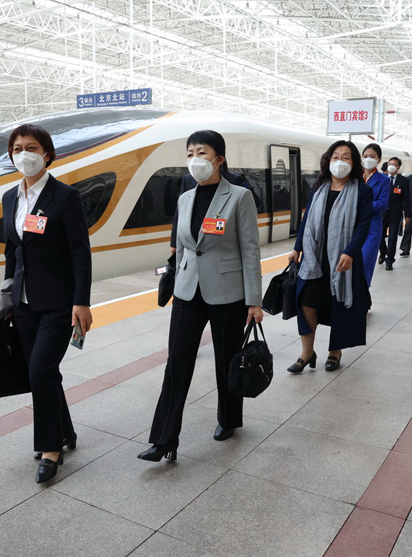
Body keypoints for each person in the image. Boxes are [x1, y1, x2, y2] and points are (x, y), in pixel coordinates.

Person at [139, 130, 263, 463]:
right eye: (190, 152)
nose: (196, 159)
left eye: (203, 152)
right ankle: (164, 438)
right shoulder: (185, 198)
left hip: (228, 294)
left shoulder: (239, 197)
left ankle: (229, 418)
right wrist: (175, 280)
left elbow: (250, 251)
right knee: (176, 363)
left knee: (226, 360)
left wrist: (254, 301)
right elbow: (182, 247)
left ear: (219, 159)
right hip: (187, 292)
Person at [0, 124, 92, 483]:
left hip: (58, 303)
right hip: (23, 303)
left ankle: (51, 448)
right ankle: (65, 431)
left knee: (40, 372)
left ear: (48, 154)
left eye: (31, 147)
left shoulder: (65, 197)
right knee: (43, 372)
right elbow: (12, 250)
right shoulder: (10, 198)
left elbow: (80, 253)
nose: (24, 153)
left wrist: (81, 302)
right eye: (17, 148)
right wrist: (7, 296)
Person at [287, 140, 372, 374]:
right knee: (305, 301)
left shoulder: (362, 190)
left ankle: (335, 352)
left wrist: (350, 252)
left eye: (346, 157)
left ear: (354, 162)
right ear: (328, 160)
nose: (339, 161)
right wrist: (297, 247)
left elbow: (363, 225)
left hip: (343, 260)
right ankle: (307, 352)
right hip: (314, 257)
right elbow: (307, 220)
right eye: (335, 157)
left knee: (339, 305)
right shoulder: (319, 186)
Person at [169, 170, 252, 253]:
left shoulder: (234, 179)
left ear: (220, 159)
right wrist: (174, 243)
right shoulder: (187, 180)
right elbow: (180, 213)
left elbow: (248, 239)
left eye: (201, 155)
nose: (195, 159)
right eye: (190, 156)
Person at [359, 143, 389, 287]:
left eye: (372, 156)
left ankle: (363, 298)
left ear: (379, 160)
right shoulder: (355, 177)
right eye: (365, 156)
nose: (368, 159)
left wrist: (361, 206)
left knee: (366, 262)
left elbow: (382, 203)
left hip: (372, 227)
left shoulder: (384, 180)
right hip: (352, 225)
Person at [377, 157, 411, 270]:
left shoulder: (403, 181)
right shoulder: (381, 178)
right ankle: (383, 252)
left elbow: (406, 199)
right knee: (379, 236)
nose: (391, 166)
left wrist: (408, 215)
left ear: (398, 167)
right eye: (389, 163)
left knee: (392, 238)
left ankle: (390, 260)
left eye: (393, 164)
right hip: (381, 213)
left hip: (395, 214)